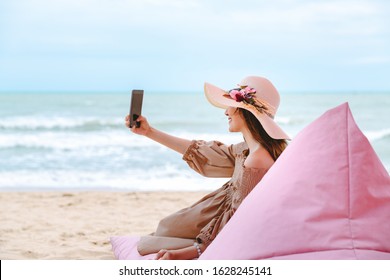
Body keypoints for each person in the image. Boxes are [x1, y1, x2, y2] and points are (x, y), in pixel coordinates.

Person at [125, 76, 290, 260]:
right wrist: (149, 131)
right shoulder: (248, 150)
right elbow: (207, 154)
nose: (226, 112)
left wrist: (191, 251)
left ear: (245, 112)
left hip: (228, 229)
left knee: (157, 237)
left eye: (230, 106)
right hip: (217, 215)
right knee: (167, 226)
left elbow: (239, 223)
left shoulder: (257, 158)